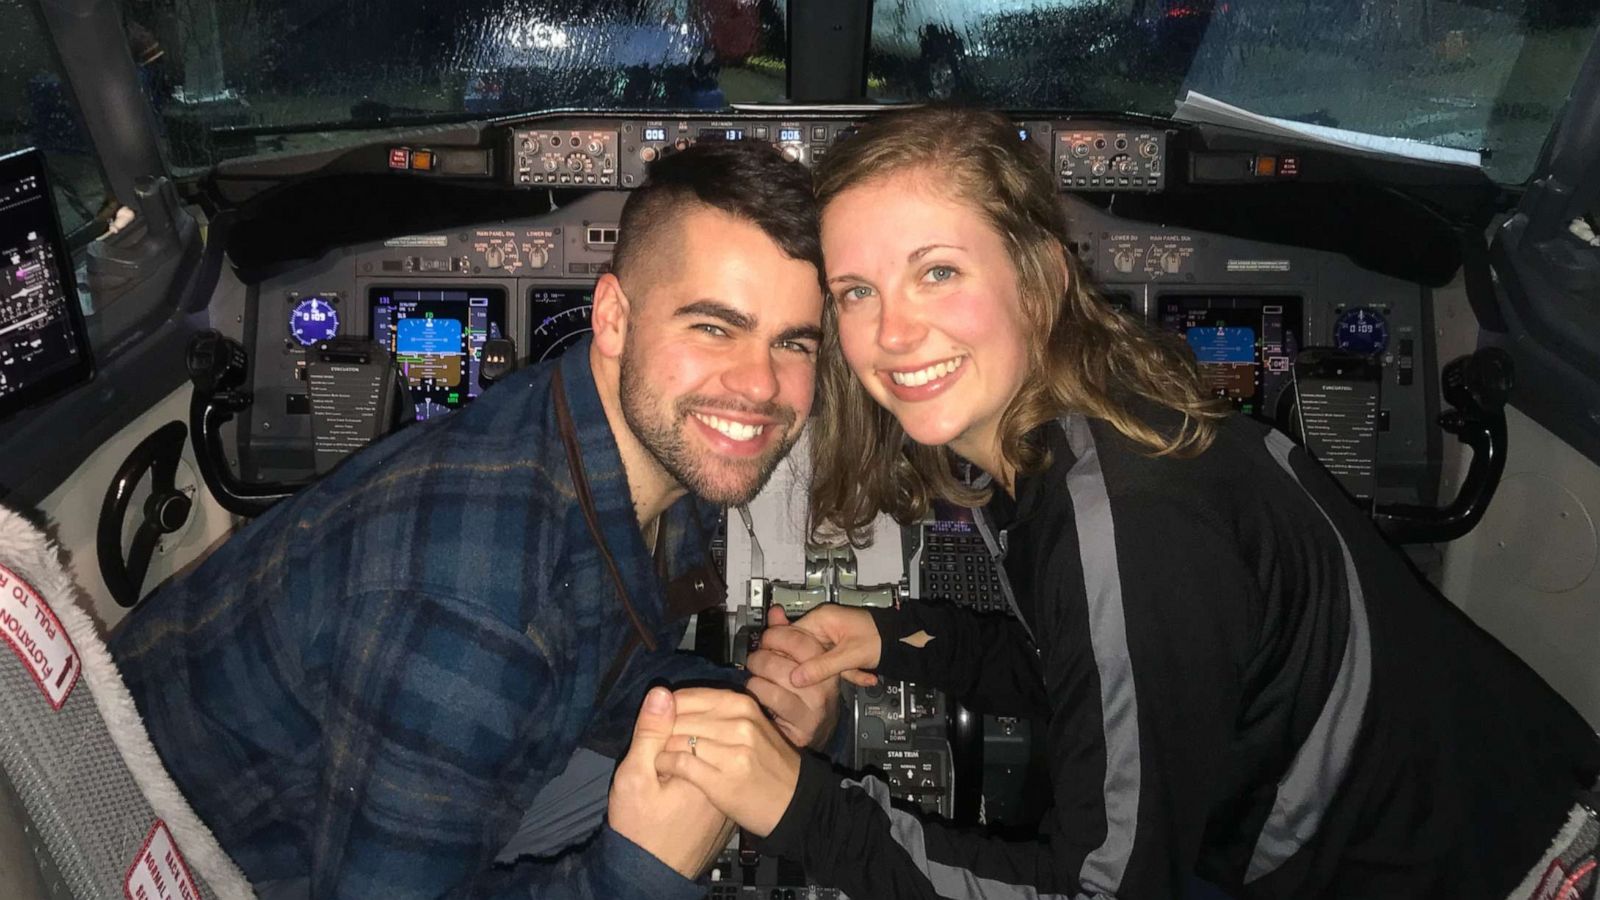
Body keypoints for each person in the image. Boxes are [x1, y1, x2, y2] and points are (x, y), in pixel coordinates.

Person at [650, 106, 1600, 899]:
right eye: (856, 291)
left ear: (1041, 278)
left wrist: (798, 808)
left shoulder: (1136, 513)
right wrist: (891, 638)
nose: (893, 331)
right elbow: (1088, 678)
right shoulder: (1062, 436)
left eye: (938, 270)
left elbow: (1100, 891)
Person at [109, 139, 841, 899]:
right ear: (614, 319)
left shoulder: (623, 452)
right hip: (180, 865)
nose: (760, 386)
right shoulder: (474, 614)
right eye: (713, 327)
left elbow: (599, 668)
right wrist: (635, 878)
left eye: (792, 342)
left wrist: (754, 706)